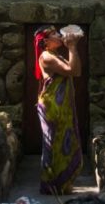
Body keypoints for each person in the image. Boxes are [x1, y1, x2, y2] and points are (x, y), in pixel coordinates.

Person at [33, 25, 83, 195]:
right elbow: (72, 71)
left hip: (61, 106)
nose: (59, 35)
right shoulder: (47, 57)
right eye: (54, 34)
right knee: (52, 144)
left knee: (62, 142)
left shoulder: (55, 54)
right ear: (46, 41)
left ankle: (61, 183)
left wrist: (71, 49)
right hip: (52, 107)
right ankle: (50, 185)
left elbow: (77, 70)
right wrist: (72, 47)